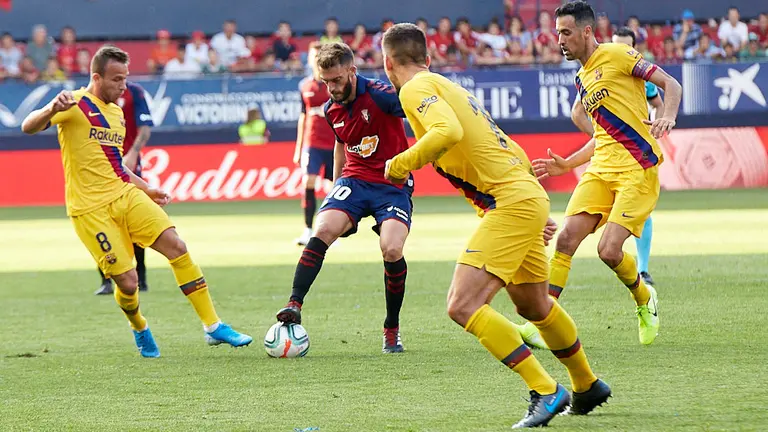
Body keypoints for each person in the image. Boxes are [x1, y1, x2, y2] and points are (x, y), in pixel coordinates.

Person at [381, 23, 610, 428]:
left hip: (511, 203)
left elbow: (446, 132)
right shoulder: (452, 88)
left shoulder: (414, 89)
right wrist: (533, 206)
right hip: (523, 198)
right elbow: (509, 147)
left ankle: (545, 389)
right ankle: (586, 384)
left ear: (387, 63)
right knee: (534, 305)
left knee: (463, 305)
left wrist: (400, 164)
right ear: (427, 58)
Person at [21, 45, 252, 357]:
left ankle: (213, 326)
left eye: (125, 78)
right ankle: (139, 325)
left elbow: (115, 164)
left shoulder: (117, 113)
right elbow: (28, 126)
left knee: (177, 246)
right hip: (90, 209)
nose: (123, 86)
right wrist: (50, 108)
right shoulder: (74, 103)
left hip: (125, 195)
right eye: (116, 79)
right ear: (96, 77)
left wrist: (147, 189)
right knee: (128, 283)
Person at [521, 1, 682, 348]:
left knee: (608, 251)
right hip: (601, 169)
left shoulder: (618, 54)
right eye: (558, 33)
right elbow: (601, 135)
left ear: (586, 31)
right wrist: (567, 164)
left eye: (566, 32)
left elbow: (671, 84)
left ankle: (645, 298)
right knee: (566, 239)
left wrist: (668, 116)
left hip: (636, 168)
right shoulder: (581, 78)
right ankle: (544, 323)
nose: (560, 40)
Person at [275, 42, 412, 354]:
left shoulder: (380, 94)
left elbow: (416, 111)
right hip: (355, 179)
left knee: (391, 248)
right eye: (326, 82)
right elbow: (341, 144)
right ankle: (294, 303)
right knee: (322, 229)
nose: (332, 88)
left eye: (337, 80)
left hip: (392, 181)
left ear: (352, 71)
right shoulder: (330, 109)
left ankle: (391, 328)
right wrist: (337, 189)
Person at [612, 27, 663, 286]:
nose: (621, 51)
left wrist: (658, 124)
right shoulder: (600, 74)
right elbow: (578, 111)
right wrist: (599, 136)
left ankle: (642, 269)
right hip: (610, 155)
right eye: (616, 46)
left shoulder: (644, 77)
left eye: (626, 47)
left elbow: (658, 103)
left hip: (636, 152)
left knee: (640, 209)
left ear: (635, 49)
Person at [95, 81, 155, 295]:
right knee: (101, 222)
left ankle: (141, 275)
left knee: (134, 221)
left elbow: (145, 127)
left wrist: (133, 153)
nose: (121, 79)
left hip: (128, 163)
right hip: (100, 166)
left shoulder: (134, 92)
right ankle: (106, 279)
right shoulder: (91, 95)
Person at [293, 42, 336, 246]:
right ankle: (308, 230)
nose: (316, 59)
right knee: (308, 181)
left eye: (319, 55)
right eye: (313, 56)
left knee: (333, 188)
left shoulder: (334, 83)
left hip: (334, 143)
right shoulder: (304, 85)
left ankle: (331, 232)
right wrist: (298, 147)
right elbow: (302, 117)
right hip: (312, 142)